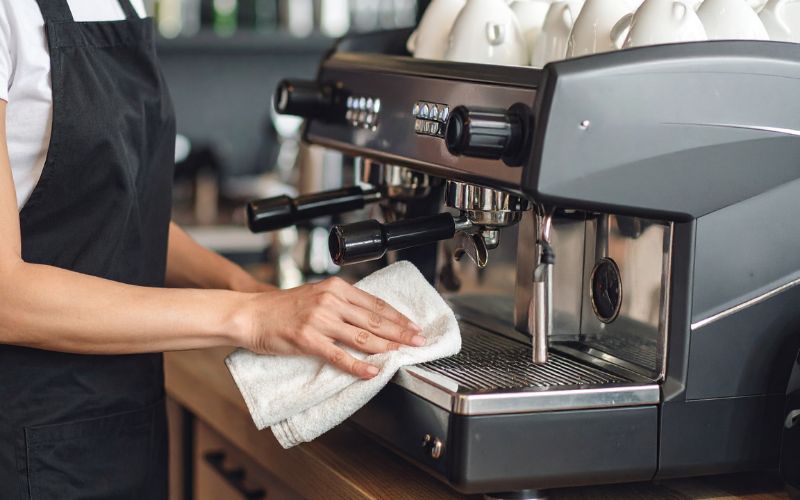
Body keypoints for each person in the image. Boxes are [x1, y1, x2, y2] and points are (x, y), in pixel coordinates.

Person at [0, 1, 424, 498]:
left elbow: (127, 216)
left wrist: (246, 286)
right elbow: (7, 298)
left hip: (124, 422)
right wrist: (248, 315)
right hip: (23, 439)